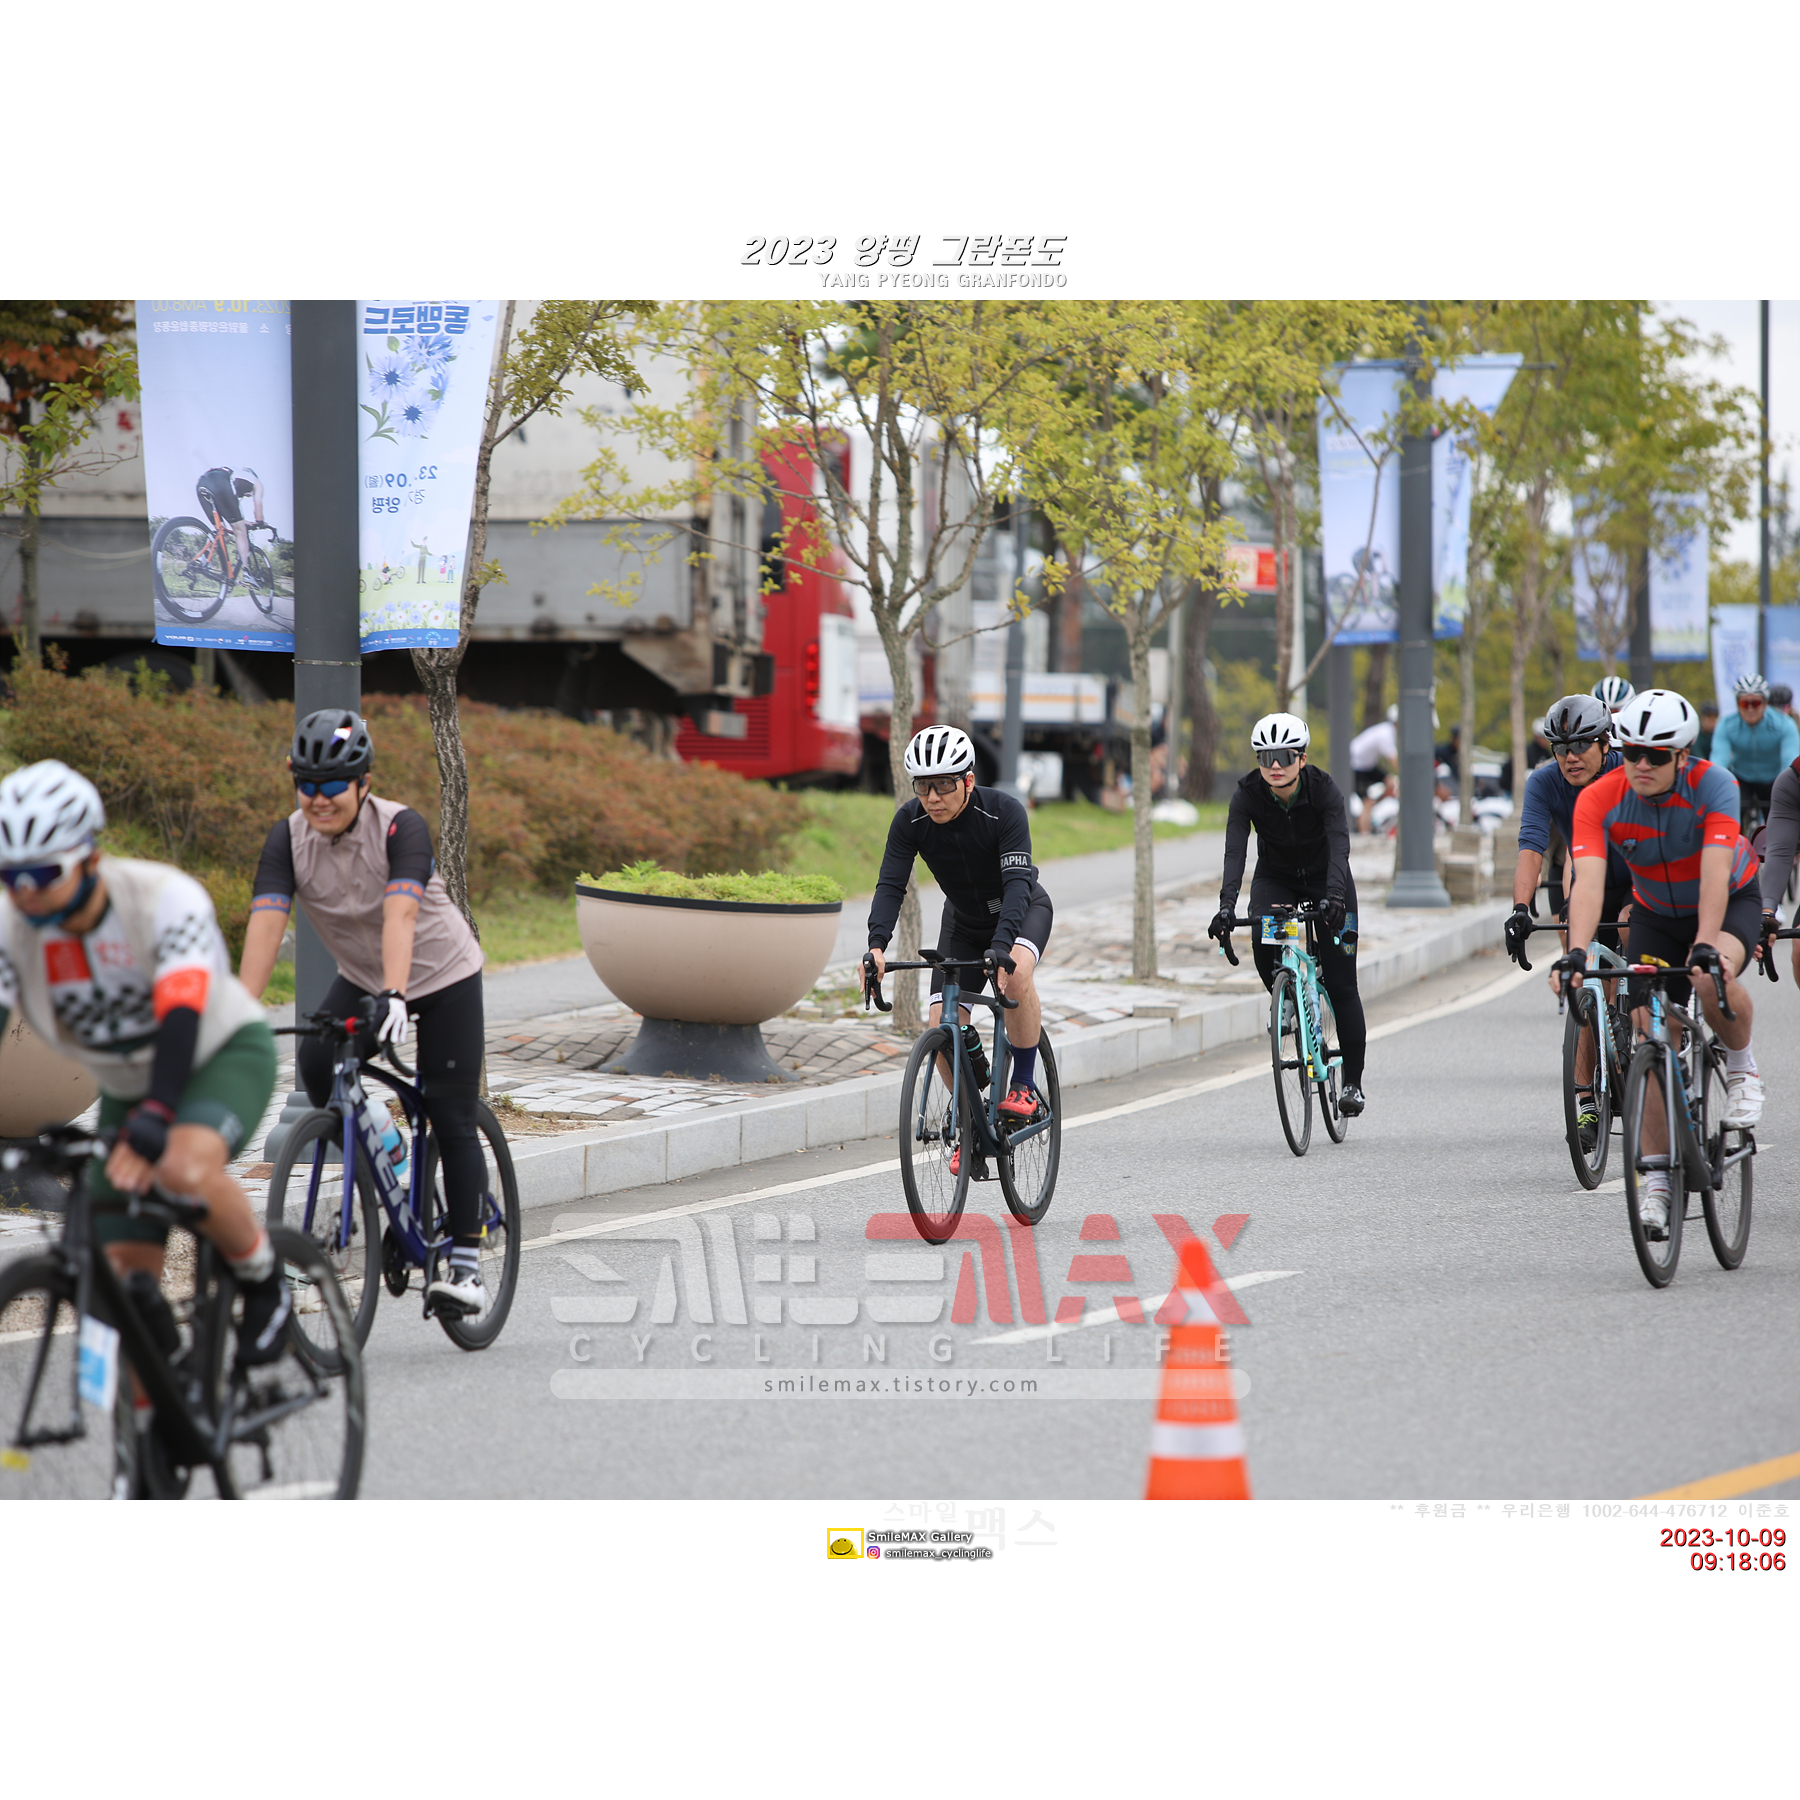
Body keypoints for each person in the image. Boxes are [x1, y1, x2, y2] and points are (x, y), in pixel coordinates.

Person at [0, 761, 289, 1374]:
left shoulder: (161, 899)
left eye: (43, 875)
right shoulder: (14, 927)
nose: (26, 893)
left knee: (182, 1167)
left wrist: (159, 1112)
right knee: (124, 1282)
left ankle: (265, 1281)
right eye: (10, 876)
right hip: (131, 1081)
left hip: (218, 1054)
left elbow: (181, 1012)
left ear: (89, 858)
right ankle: (159, 1408)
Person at [237, 709, 491, 1317]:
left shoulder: (401, 828)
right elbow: (267, 923)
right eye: (306, 784)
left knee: (451, 1115)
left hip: (442, 977)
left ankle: (466, 1264)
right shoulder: (287, 840)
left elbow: (401, 914)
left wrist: (397, 994)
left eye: (332, 784)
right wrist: (238, 1013)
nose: (318, 798)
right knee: (316, 1063)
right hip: (363, 978)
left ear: (363, 782)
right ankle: (381, 1135)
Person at [1555, 689, 1764, 1242]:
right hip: (1655, 913)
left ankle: (1741, 1067)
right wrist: (1574, 953)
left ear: (1684, 755)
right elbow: (1587, 883)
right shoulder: (1599, 799)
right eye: (1631, 753)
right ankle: (1657, 1184)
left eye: (1656, 755)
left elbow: (1715, 873)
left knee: (1708, 975)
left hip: (1728, 898)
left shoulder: (1715, 786)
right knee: (1651, 1037)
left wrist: (1705, 945)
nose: (1641, 765)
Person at [865, 726, 1052, 1149]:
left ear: (968, 780)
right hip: (963, 923)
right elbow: (891, 885)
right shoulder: (910, 821)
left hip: (1020, 911)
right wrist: (877, 946)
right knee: (941, 1024)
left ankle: (1024, 1084)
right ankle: (969, 1119)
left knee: (1015, 977)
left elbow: (1017, 885)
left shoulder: (1004, 811)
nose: (933, 798)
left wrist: (1002, 947)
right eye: (923, 786)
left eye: (945, 785)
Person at [1208, 713, 1366, 1116]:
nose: (1275, 766)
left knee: (1343, 985)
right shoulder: (1246, 794)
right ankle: (1289, 997)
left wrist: (1335, 898)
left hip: (1327, 880)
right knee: (1263, 936)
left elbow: (1340, 845)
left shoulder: (1324, 789)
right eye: (1266, 758)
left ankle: (1352, 1083)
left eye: (1284, 756)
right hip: (1276, 879)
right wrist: (1226, 906)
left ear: (1302, 758)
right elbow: (1235, 852)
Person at [1502, 694, 1630, 1152]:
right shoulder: (1544, 782)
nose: (1569, 757)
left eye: (1580, 746)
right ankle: (1587, 1103)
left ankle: (1638, 1021)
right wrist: (1520, 910)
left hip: (1639, 880)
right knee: (1584, 982)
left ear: (1604, 743)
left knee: (1630, 930)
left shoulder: (1628, 772)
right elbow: (1531, 848)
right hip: (1589, 879)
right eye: (1560, 748)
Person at [1709, 673, 1800, 829]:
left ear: (1765, 703)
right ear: (1737, 704)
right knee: (1728, 817)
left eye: (1756, 703)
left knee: (1779, 824)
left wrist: (1787, 790)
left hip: (1773, 779)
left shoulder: (1784, 724)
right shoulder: (1726, 724)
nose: (1750, 708)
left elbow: (1789, 762)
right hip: (1742, 778)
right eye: (1744, 703)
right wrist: (1715, 786)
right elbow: (1719, 760)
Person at [194, 465, 266, 588]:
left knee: (222, 533)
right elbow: (257, 509)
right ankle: (247, 573)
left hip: (203, 482)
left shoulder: (235, 475)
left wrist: (243, 522)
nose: (248, 496)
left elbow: (230, 510)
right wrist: (260, 522)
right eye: (249, 495)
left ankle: (204, 558)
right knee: (240, 532)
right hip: (222, 484)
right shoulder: (257, 483)